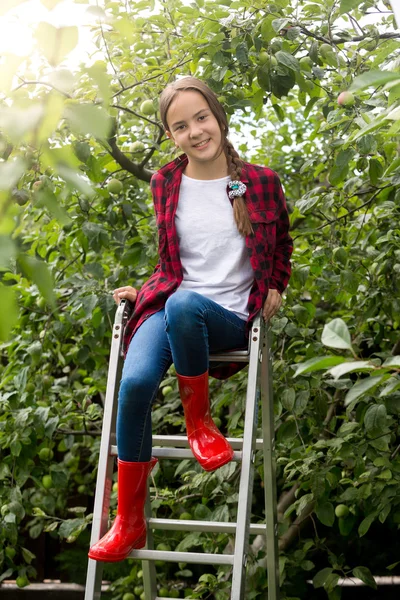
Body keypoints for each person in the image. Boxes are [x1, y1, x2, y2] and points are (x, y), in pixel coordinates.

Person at [88, 76, 293, 562]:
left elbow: (282, 243)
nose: (195, 131)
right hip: (172, 301)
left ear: (218, 116)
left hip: (225, 315)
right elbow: (174, 262)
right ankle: (129, 520)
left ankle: (200, 423)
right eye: (180, 126)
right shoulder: (165, 182)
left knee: (185, 305)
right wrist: (143, 290)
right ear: (170, 134)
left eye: (201, 117)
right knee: (134, 384)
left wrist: (278, 285)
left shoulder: (260, 180)